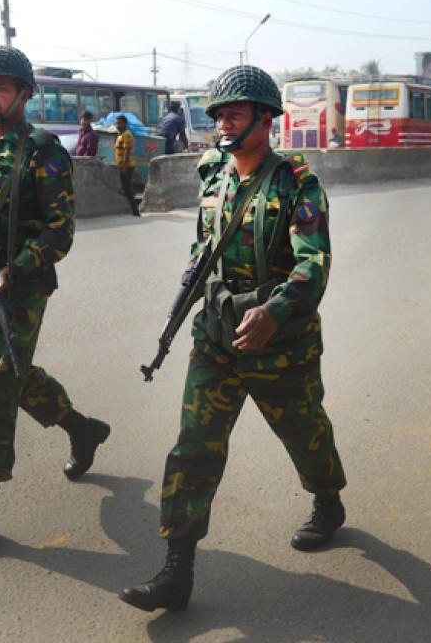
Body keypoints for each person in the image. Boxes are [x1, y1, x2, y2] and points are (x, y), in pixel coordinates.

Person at [121, 65, 348, 613]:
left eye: (236, 113)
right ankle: (176, 570)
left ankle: (327, 498)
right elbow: (206, 243)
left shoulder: (297, 181)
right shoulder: (212, 171)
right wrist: (193, 282)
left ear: (267, 119)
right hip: (218, 334)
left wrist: (275, 310)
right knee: (194, 447)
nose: (224, 123)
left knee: (304, 432)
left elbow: (314, 263)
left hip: (281, 341)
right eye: (219, 113)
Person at [0, 45, 111, 564]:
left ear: (24, 95)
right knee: (14, 370)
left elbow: (62, 231)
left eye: (1, 89)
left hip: (22, 281)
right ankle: (82, 428)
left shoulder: (43, 152)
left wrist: (19, 268)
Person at [114, 114, 140, 216]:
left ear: (125, 124)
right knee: (125, 189)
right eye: (116, 123)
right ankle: (130, 209)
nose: (117, 125)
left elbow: (127, 151)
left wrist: (124, 166)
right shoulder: (120, 135)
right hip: (122, 165)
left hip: (127, 166)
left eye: (119, 123)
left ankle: (135, 211)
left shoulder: (126, 135)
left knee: (128, 189)